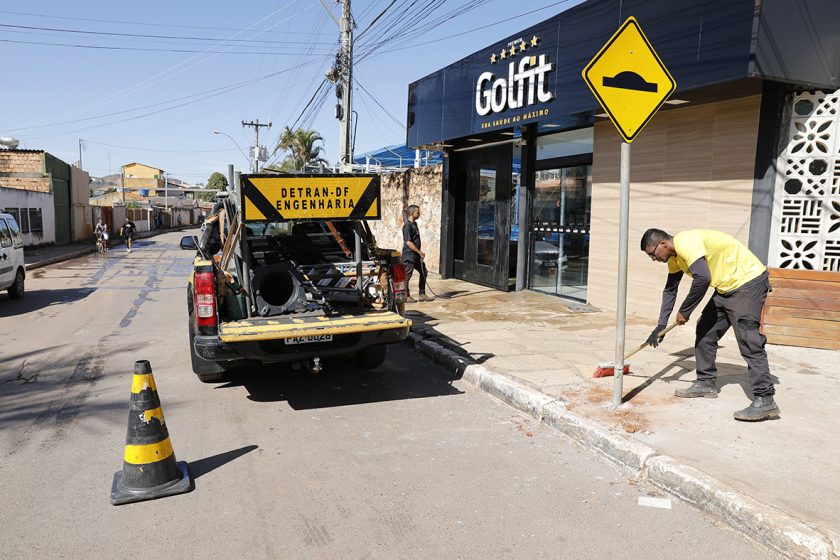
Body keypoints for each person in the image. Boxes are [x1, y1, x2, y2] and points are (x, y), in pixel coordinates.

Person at [641, 228, 778, 422]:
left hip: (748, 282)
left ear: (663, 244)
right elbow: (670, 289)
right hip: (725, 288)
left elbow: (702, 278)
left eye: (652, 254)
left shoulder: (686, 243)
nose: (653, 259)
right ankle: (706, 382)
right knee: (705, 330)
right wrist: (660, 326)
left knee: (749, 339)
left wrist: (685, 311)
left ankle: (765, 399)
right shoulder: (674, 259)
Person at [402, 204, 434, 303]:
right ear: (412, 213)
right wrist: (419, 252)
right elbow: (408, 242)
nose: (419, 213)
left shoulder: (414, 224)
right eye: (417, 212)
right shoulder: (407, 225)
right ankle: (406, 296)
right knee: (407, 275)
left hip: (415, 255)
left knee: (424, 272)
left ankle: (422, 294)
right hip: (409, 255)